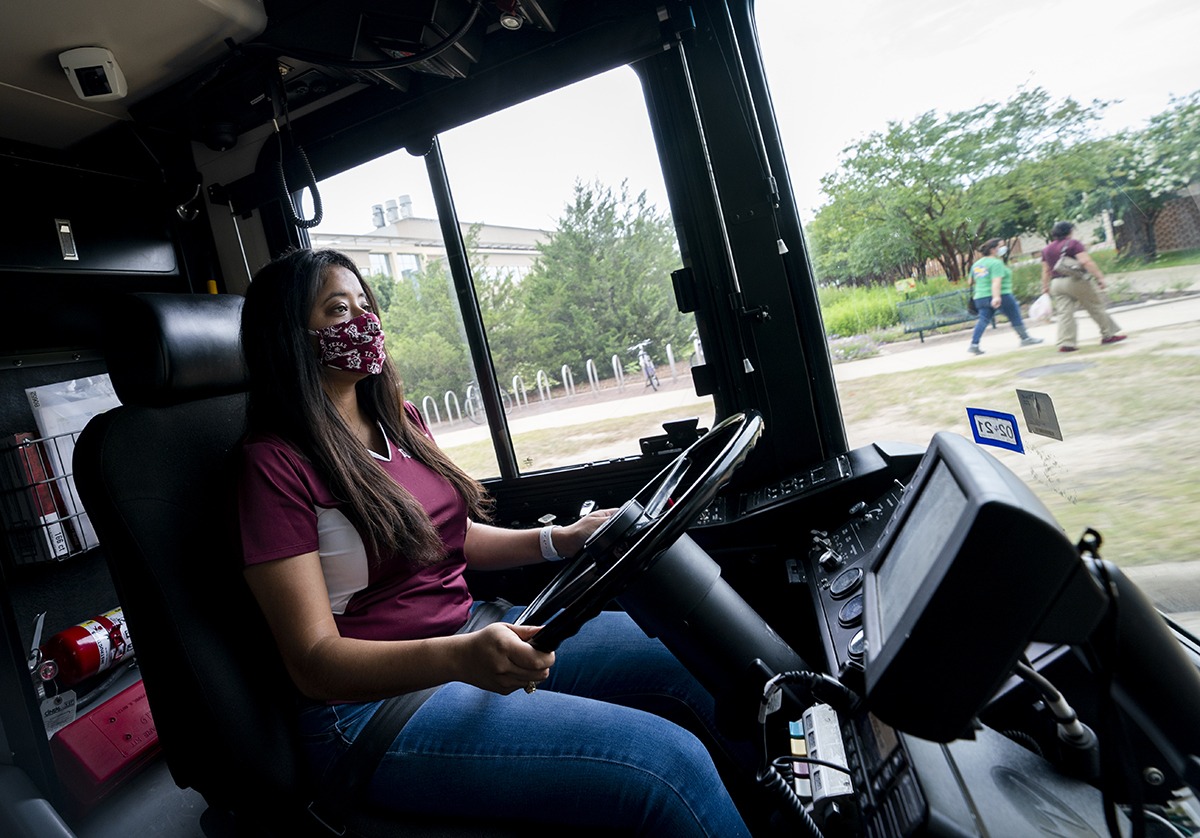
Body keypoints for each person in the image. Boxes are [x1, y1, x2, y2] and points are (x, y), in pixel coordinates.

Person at [236, 248, 753, 837]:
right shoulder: (272, 466)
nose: (363, 322)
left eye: (365, 305)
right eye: (337, 309)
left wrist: (561, 539)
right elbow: (313, 665)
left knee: (696, 658)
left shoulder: (397, 419)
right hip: (372, 708)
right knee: (666, 764)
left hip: (470, 629)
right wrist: (459, 656)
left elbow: (447, 538)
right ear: (291, 337)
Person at [1041, 221, 1126, 353]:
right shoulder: (1073, 244)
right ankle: (1108, 335)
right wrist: (1100, 277)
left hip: (1056, 283)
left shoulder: (1047, 249)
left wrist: (1045, 286)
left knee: (1065, 314)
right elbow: (1085, 261)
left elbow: (1046, 270)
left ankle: (1066, 343)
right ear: (1069, 231)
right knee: (1095, 307)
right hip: (1076, 280)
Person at [967, 238, 1044, 355]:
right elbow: (996, 281)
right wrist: (996, 297)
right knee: (1015, 315)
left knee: (983, 320)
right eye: (1000, 246)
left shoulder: (977, 264)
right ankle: (1025, 338)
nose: (1003, 248)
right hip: (1001, 295)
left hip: (980, 296)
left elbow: (970, 281)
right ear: (993, 250)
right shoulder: (996, 263)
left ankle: (974, 344)